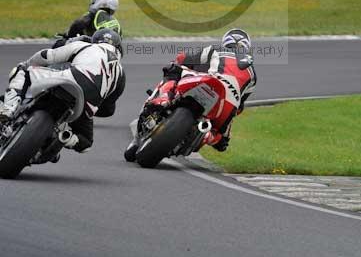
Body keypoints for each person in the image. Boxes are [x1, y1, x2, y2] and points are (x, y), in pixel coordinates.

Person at [125, 28, 256, 160]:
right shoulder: (252, 74)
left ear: (226, 41)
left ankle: (164, 98)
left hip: (210, 82)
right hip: (227, 106)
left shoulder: (216, 50)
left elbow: (185, 59)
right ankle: (207, 136)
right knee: (222, 143)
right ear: (246, 46)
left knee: (174, 70)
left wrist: (179, 61)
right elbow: (239, 108)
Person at [0, 29, 126, 154]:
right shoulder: (121, 74)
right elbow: (108, 109)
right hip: (87, 104)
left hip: (70, 79)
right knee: (86, 143)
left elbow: (48, 56)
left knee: (22, 70)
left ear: (95, 40)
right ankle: (64, 137)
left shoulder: (84, 46)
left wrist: (28, 63)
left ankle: (8, 109)